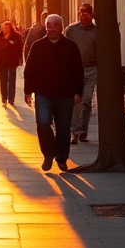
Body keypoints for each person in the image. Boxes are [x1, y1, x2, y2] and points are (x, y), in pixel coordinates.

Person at [23, 14, 83, 173]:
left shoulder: (71, 47)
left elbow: (78, 70)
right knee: (43, 123)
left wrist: (78, 91)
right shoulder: (38, 46)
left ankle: (62, 159)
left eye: (54, 26)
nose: (50, 29)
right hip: (43, 93)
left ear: (61, 28)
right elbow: (29, 69)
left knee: (63, 128)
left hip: (65, 94)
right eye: (48, 26)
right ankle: (48, 153)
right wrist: (27, 91)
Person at [64, 3, 98, 143]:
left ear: (91, 15)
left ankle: (83, 129)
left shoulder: (96, 31)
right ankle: (75, 131)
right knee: (76, 100)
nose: (82, 15)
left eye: (85, 13)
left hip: (91, 69)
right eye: (80, 12)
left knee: (86, 100)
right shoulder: (71, 30)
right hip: (75, 69)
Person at [0, 20, 24, 106]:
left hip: (12, 61)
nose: (5, 29)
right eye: (4, 27)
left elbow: (19, 48)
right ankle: (4, 98)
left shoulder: (16, 37)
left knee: (12, 80)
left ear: (10, 28)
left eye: (7, 27)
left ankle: (11, 99)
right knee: (3, 80)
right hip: (2, 62)